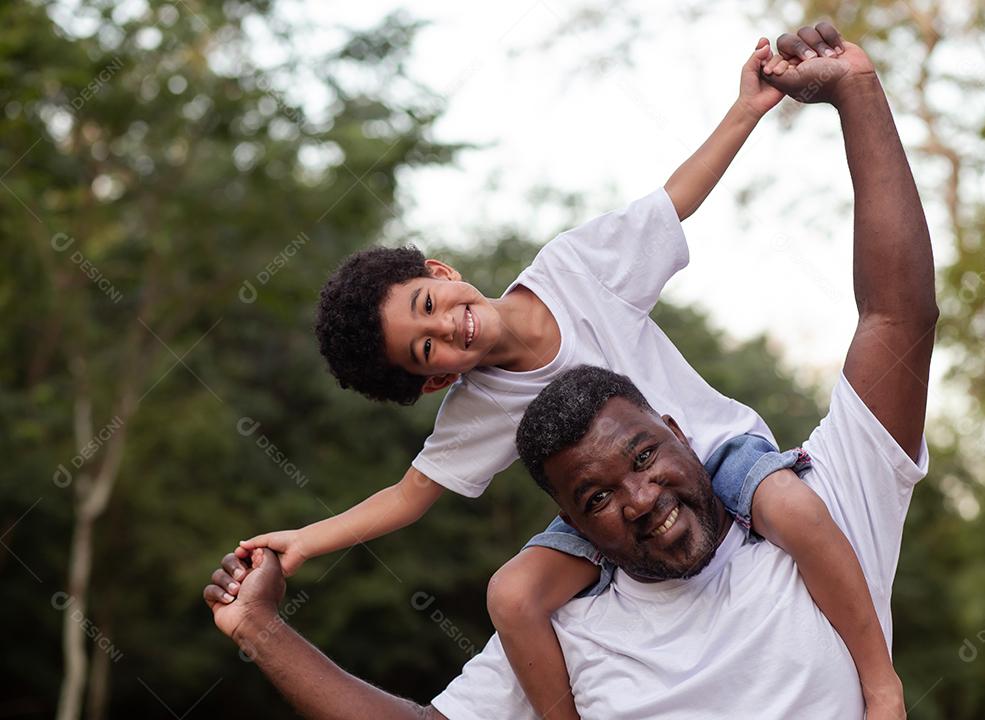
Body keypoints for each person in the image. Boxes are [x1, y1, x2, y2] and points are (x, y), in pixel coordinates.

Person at [205, 22, 938, 719]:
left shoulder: (575, 269)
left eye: (428, 305)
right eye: (426, 349)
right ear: (434, 380)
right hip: (603, 529)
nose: (445, 328)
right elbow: (406, 498)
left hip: (721, 455)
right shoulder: (479, 410)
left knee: (795, 509)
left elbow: (674, 203)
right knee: (510, 593)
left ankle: (881, 681)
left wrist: (747, 109)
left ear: (442, 271)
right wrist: (305, 543)